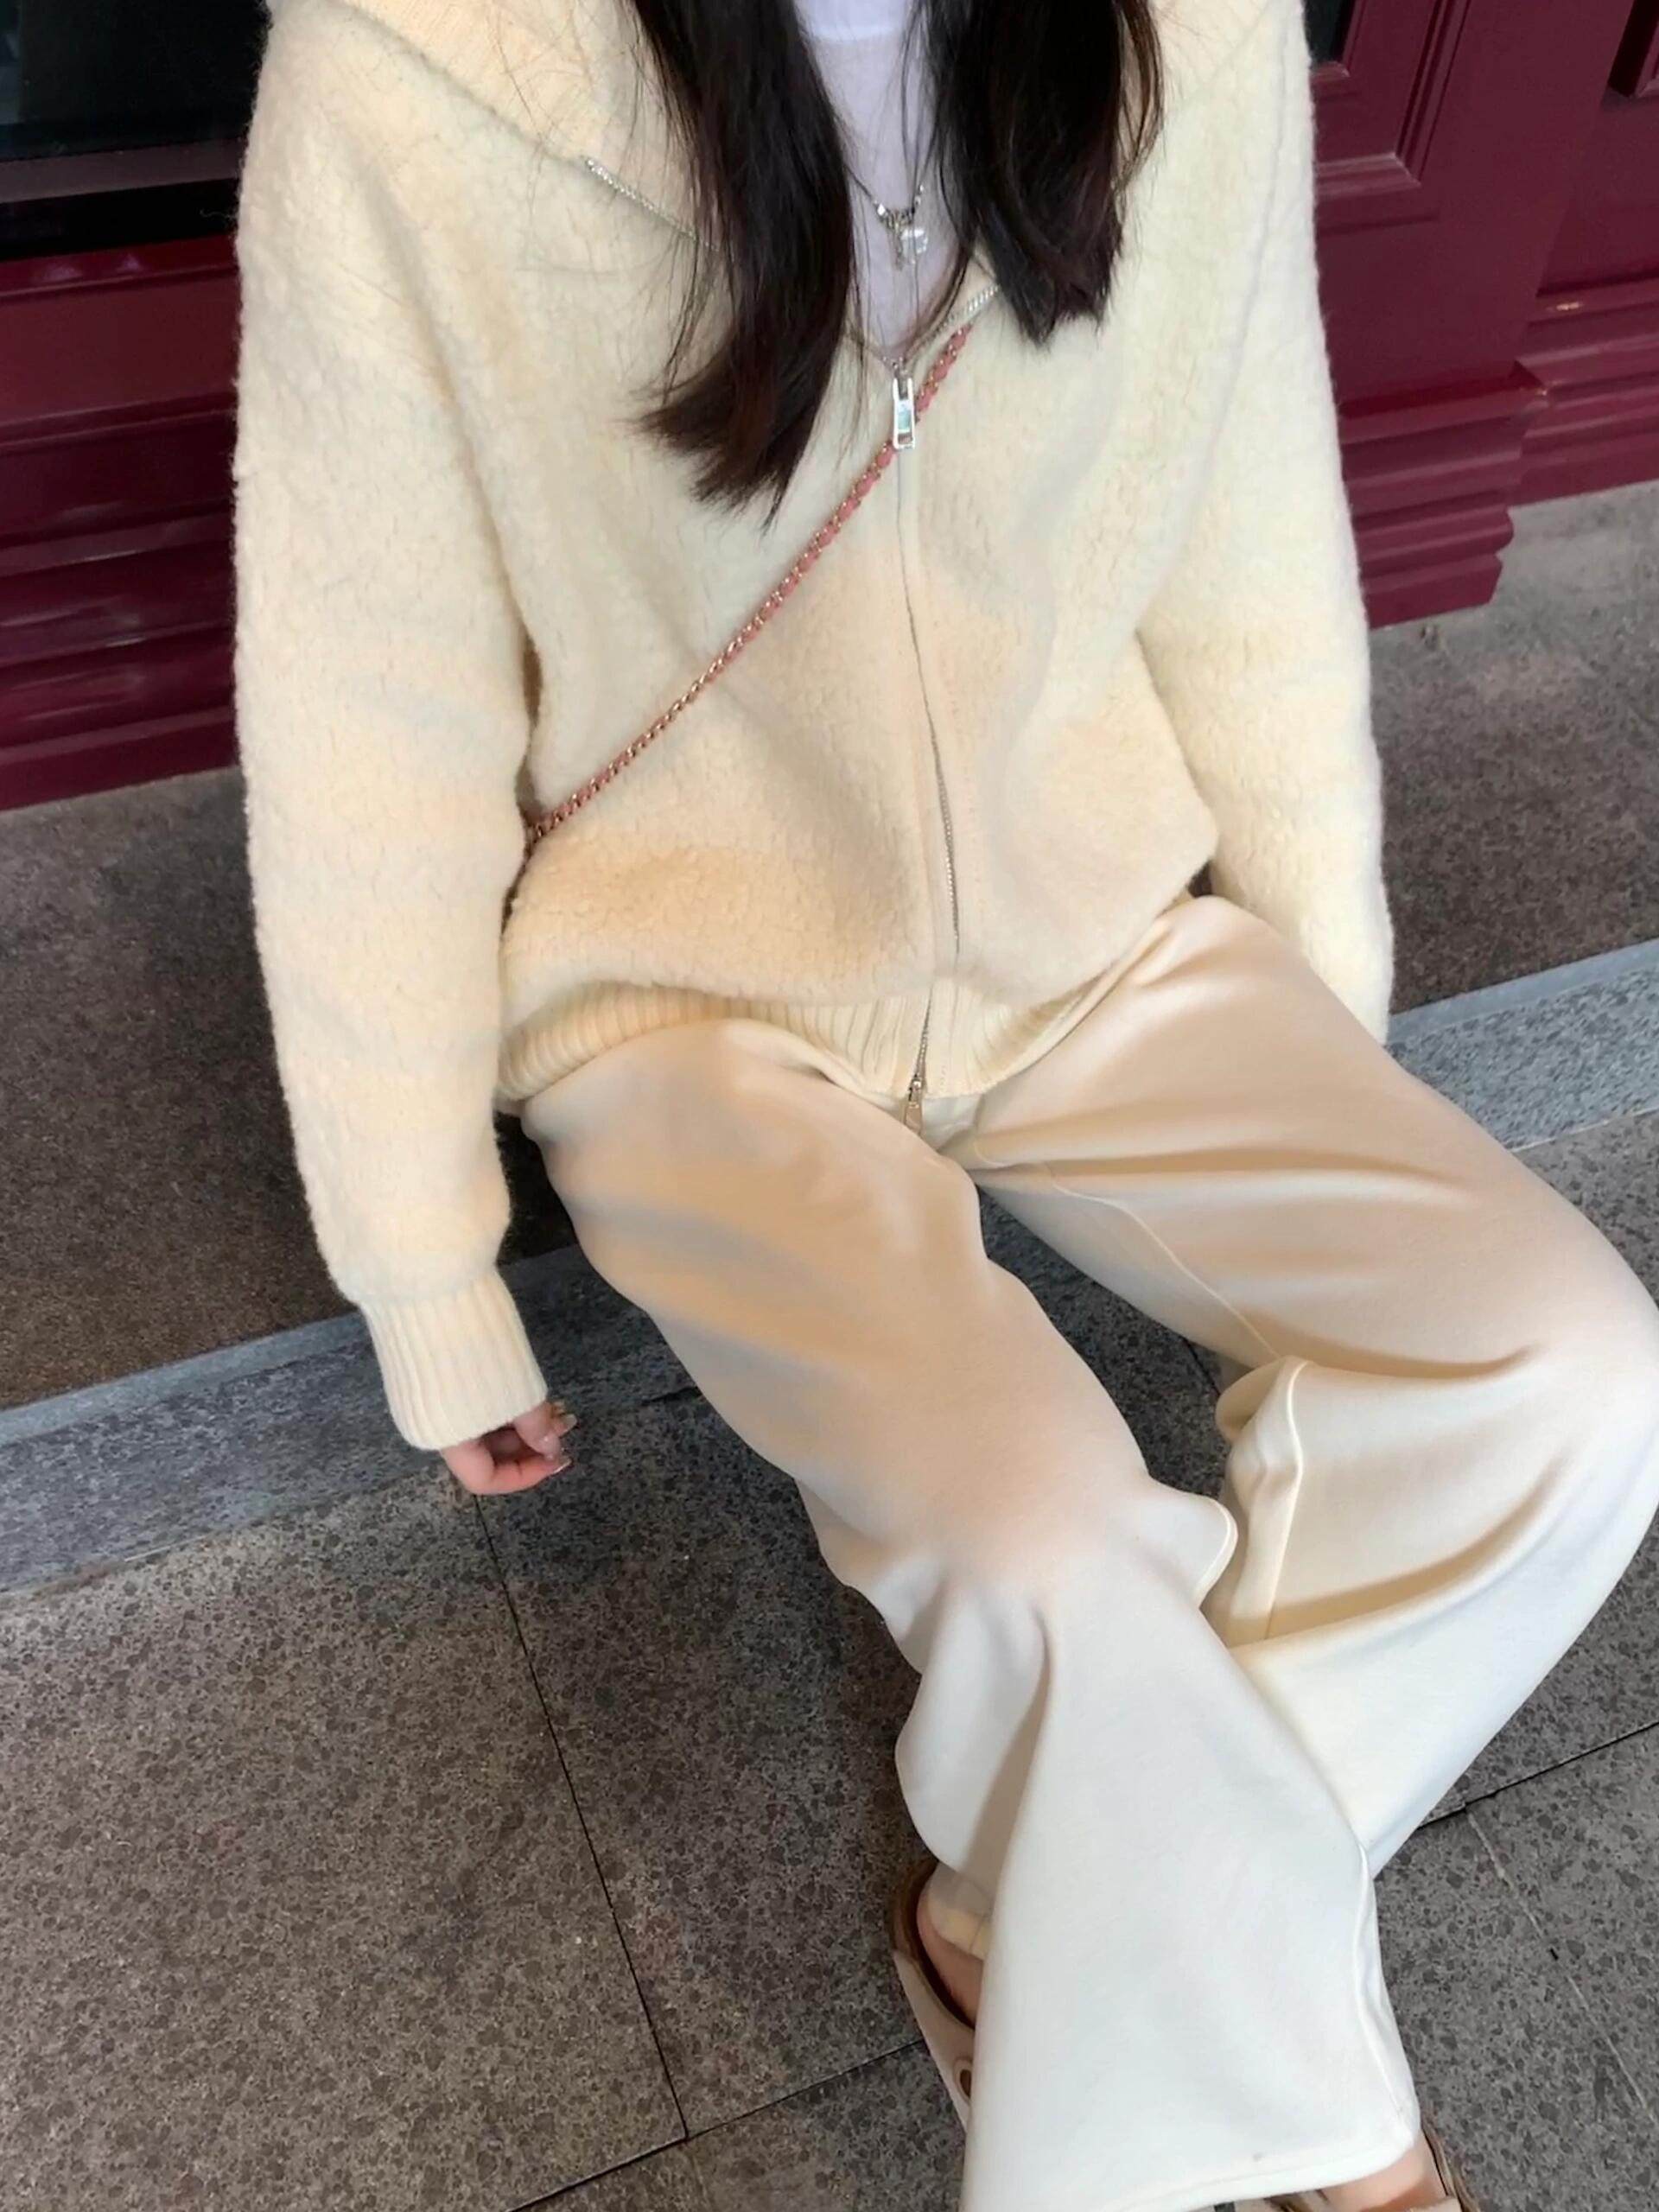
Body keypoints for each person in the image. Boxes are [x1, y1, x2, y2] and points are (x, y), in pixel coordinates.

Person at [231, 0, 1659, 2206]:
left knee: (1574, 1366)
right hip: (682, 986)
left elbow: (1246, 519)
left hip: (1098, 914)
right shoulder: (417, 70)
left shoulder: (1190, 25)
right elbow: (368, 695)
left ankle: (1022, 1932)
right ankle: (1352, 2146)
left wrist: (1318, 973)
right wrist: (423, 1258)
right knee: (1038, 1539)